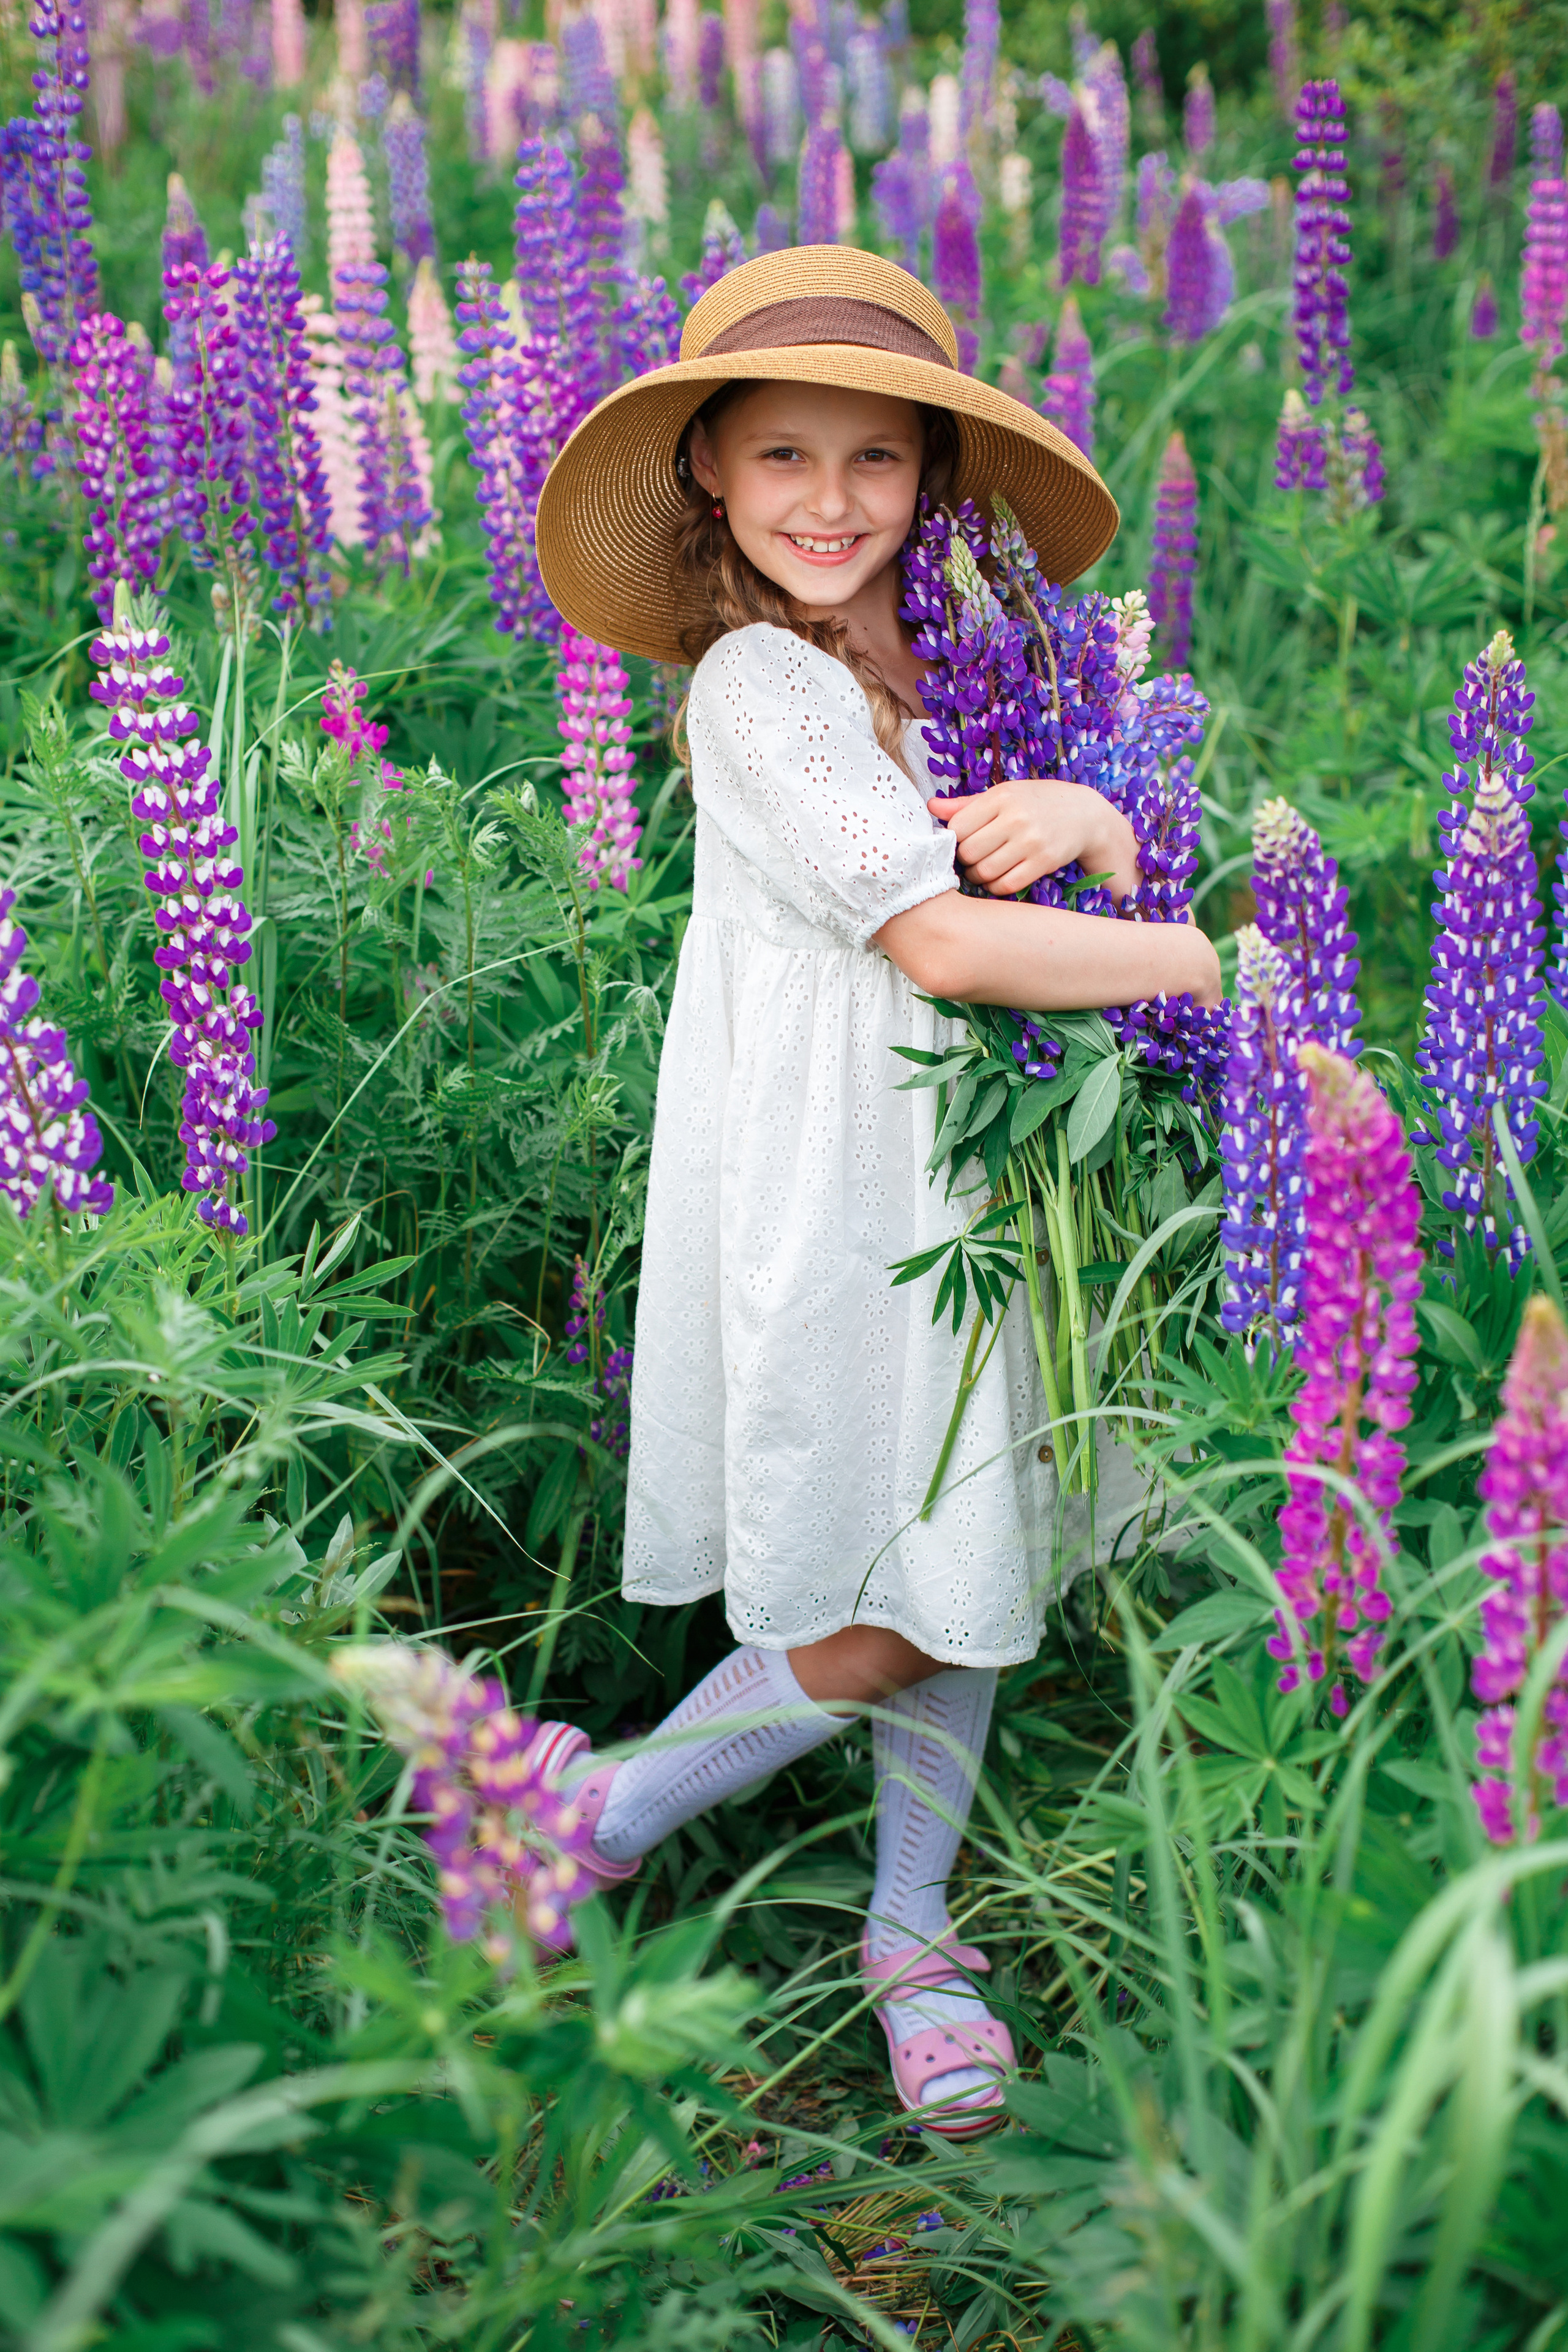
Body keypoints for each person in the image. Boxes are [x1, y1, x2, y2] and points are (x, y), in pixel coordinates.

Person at [519, 246, 1221, 2138]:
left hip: (988, 1173)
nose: (829, 504)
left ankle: (910, 1927)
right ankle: (597, 1814)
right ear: (713, 485)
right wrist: (1211, 962)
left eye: (876, 463)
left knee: (968, 1549)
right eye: (780, 460)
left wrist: (1104, 821)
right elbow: (947, 940)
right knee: (911, 1572)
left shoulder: (963, 650)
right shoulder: (755, 683)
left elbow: (1065, 855)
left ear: (933, 478)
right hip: (848, 1191)